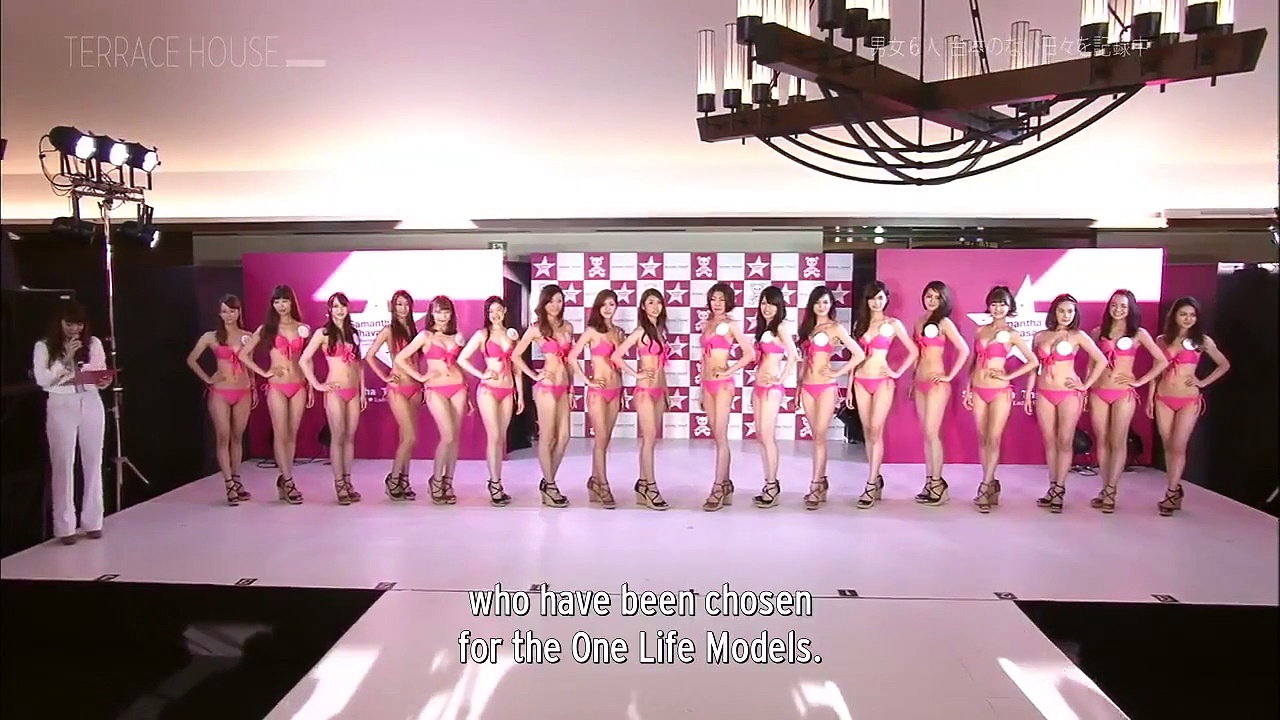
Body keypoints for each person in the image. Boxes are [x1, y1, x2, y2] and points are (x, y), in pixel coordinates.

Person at [33, 301, 112, 544]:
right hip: (61, 403)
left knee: (94, 460)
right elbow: (42, 380)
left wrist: (103, 381)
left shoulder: (93, 343)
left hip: (90, 400)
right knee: (63, 463)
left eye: (78, 324)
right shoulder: (44, 346)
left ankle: (93, 521)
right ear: (59, 323)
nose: (74, 329)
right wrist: (65, 358)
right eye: (69, 324)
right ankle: (65, 526)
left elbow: (99, 370)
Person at [1148, 297, 1230, 516]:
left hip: (1188, 399)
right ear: (1174, 315)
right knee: (1168, 445)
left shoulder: (1202, 341)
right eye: (1183, 314)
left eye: (1192, 315)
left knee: (1178, 445)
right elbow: (1156, 371)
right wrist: (1149, 398)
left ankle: (1171, 492)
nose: (1187, 318)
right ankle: (1174, 488)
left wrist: (1202, 382)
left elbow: (1224, 364)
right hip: (1163, 398)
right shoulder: (1162, 340)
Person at [1088, 289, 1167, 513]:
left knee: (1118, 440)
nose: (1118, 310)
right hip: (1098, 391)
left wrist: (1139, 381)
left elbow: (1161, 360)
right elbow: (1091, 364)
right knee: (1102, 440)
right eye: (1114, 305)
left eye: (1123, 306)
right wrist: (1086, 387)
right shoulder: (1098, 332)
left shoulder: (1138, 333)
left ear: (1130, 308)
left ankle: (1112, 490)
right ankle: (1105, 487)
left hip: (1123, 393)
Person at [1028, 294, 1107, 513]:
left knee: (1064, 441)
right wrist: (1029, 391)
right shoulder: (1040, 336)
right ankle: (1052, 486)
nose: (1066, 315)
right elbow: (1034, 366)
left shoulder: (1078, 336)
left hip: (1068, 394)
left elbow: (1101, 360)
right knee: (1050, 442)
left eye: (1070, 311)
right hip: (1044, 392)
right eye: (1062, 311)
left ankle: (1060, 489)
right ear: (1054, 312)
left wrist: (1085, 385)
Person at [963, 285, 1038, 513]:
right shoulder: (980, 331)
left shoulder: (1012, 334)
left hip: (1000, 391)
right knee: (983, 438)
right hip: (978, 388)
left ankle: (985, 486)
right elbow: (974, 361)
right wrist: (968, 387)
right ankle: (991, 483)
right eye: (994, 304)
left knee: (994, 438)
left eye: (1002, 304)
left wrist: (1008, 376)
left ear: (1009, 307)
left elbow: (1033, 361)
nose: (997, 308)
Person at [239, 285, 313, 504]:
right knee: (281, 433)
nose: (281, 306)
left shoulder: (302, 328)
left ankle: (284, 478)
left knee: (292, 434)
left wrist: (310, 385)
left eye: (284, 301)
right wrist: (264, 373)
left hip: (298, 384)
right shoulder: (267, 329)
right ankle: (288, 481)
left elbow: (306, 359)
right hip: (277, 386)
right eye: (277, 301)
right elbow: (243, 354)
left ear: (291, 302)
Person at [848, 280, 918, 510]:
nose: (876, 302)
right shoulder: (861, 324)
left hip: (882, 382)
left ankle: (870, 483)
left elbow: (913, 350)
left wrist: (896, 372)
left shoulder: (893, 324)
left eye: (880, 297)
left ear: (886, 299)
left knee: (876, 430)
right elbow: (855, 357)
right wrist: (849, 386)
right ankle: (875, 478)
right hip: (860, 381)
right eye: (872, 298)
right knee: (868, 431)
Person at [395, 295, 469, 504]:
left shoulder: (457, 336)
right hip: (435, 389)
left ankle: (448, 481)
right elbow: (400, 358)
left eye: (446, 311)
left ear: (451, 314)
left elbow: (460, 364)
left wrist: (469, 393)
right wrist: (420, 377)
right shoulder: (425, 336)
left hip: (458, 387)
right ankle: (435, 480)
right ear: (431, 314)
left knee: (454, 438)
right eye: (438, 311)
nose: (442, 316)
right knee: (447, 435)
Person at [796, 285, 864, 510]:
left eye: (825, 302)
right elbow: (804, 361)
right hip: (807, 387)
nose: (821, 306)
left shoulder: (835, 328)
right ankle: (822, 481)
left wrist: (837, 372)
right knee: (815, 436)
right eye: (817, 302)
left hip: (826, 387)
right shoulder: (807, 328)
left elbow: (858, 354)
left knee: (820, 437)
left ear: (831, 305)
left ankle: (816, 484)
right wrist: (798, 387)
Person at [184, 294, 255, 505]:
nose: (229, 315)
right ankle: (228, 483)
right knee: (223, 436)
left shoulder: (247, 336)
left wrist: (253, 386)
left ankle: (237, 479)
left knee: (237, 436)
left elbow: (250, 364)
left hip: (243, 391)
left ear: (239, 312)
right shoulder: (211, 337)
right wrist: (208, 378)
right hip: (221, 392)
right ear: (219, 313)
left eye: (232, 311)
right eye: (225, 311)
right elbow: (191, 359)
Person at [457, 295, 525, 506]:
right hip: (488, 390)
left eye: (498, 310)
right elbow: (462, 359)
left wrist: (520, 394)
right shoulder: (482, 335)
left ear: (504, 311)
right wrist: (482, 374)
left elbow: (517, 368)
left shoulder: (512, 335)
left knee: (500, 439)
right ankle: (494, 483)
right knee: (494, 436)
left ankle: (497, 482)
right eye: (491, 311)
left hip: (508, 390)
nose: (495, 314)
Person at [300, 292, 367, 505]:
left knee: (349, 437)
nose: (339, 310)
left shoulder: (353, 333)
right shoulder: (323, 333)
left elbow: (359, 364)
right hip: (335, 391)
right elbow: (304, 360)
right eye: (335, 306)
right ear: (329, 310)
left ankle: (347, 480)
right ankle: (339, 484)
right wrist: (317, 384)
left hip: (353, 391)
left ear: (348, 308)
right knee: (337, 437)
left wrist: (362, 389)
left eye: (342, 306)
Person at [511, 284, 574, 507]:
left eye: (559, 300)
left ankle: (548, 483)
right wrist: (534, 375)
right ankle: (550, 484)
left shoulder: (568, 326)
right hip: (546, 387)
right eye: (551, 301)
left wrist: (572, 387)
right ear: (543, 303)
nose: (555, 305)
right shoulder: (536, 329)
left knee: (564, 437)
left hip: (564, 387)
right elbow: (515, 355)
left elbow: (570, 361)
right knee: (548, 437)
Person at [910, 281, 969, 506]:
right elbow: (917, 354)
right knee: (926, 434)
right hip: (920, 383)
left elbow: (964, 349)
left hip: (937, 384)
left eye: (936, 297)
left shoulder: (944, 322)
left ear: (943, 300)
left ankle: (938, 483)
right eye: (928, 296)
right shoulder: (918, 322)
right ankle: (930, 482)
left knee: (932, 432)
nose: (932, 301)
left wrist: (949, 376)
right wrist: (913, 379)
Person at [697, 282, 755, 512]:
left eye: (721, 299)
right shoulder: (707, 324)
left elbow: (749, 353)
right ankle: (726, 484)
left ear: (728, 301)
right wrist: (701, 388)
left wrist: (728, 371)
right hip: (708, 384)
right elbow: (704, 359)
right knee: (716, 437)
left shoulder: (731, 325)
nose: (717, 303)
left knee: (721, 437)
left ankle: (718, 487)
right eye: (714, 299)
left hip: (722, 386)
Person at [612, 288, 672, 510]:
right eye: (650, 303)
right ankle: (651, 487)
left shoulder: (659, 332)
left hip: (658, 392)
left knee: (651, 440)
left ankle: (642, 483)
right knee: (648, 439)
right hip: (645, 392)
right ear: (643, 307)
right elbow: (616, 356)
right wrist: (636, 374)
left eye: (658, 302)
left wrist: (666, 391)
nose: (655, 307)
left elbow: (661, 367)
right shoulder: (640, 332)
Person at [568, 289, 626, 509]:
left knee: (605, 440)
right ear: (598, 307)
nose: (608, 309)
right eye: (604, 304)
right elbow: (572, 357)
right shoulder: (592, 332)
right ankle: (603, 485)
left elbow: (618, 365)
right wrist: (587, 381)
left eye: (612, 304)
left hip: (615, 389)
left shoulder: (619, 332)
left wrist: (622, 391)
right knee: (600, 439)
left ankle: (594, 480)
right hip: (598, 393)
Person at [363, 289, 420, 501]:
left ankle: (404, 480)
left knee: (407, 438)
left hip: (415, 388)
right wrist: (385, 377)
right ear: (393, 307)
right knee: (410, 436)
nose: (403, 309)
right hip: (397, 388)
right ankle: (393, 479)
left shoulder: (414, 330)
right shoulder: (389, 330)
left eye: (406, 304)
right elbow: (369, 356)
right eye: (399, 304)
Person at [749, 286, 799, 509]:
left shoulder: (780, 327)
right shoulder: (764, 328)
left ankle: (772, 484)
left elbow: (794, 355)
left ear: (779, 306)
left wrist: (780, 379)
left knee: (767, 436)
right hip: (758, 387)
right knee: (761, 436)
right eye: (763, 303)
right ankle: (768, 482)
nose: (766, 307)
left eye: (771, 303)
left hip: (771, 389)